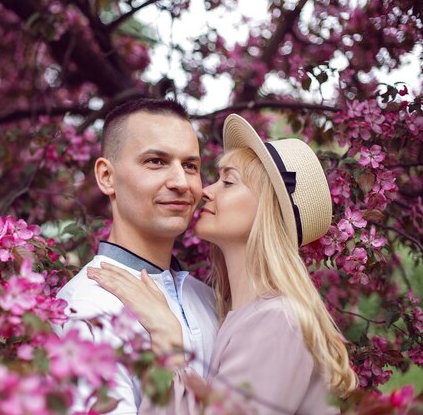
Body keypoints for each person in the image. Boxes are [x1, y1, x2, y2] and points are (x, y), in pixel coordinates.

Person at [87, 114, 358, 414]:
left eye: (228, 182)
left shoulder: (277, 321)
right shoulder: (235, 313)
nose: (205, 191)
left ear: (265, 210)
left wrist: (168, 342)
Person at [53, 99, 219, 414]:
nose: (181, 183)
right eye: (156, 161)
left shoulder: (209, 299)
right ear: (106, 177)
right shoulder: (87, 308)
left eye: (190, 165)